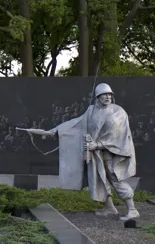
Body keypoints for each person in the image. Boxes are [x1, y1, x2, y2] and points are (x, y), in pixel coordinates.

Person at [27, 83, 139, 221]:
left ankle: (132, 209)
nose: (108, 97)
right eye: (104, 94)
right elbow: (76, 123)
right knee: (101, 180)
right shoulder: (91, 110)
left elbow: (116, 134)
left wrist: (97, 145)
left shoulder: (118, 112)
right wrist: (54, 131)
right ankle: (109, 207)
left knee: (115, 179)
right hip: (96, 155)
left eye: (110, 94)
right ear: (97, 97)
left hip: (110, 154)